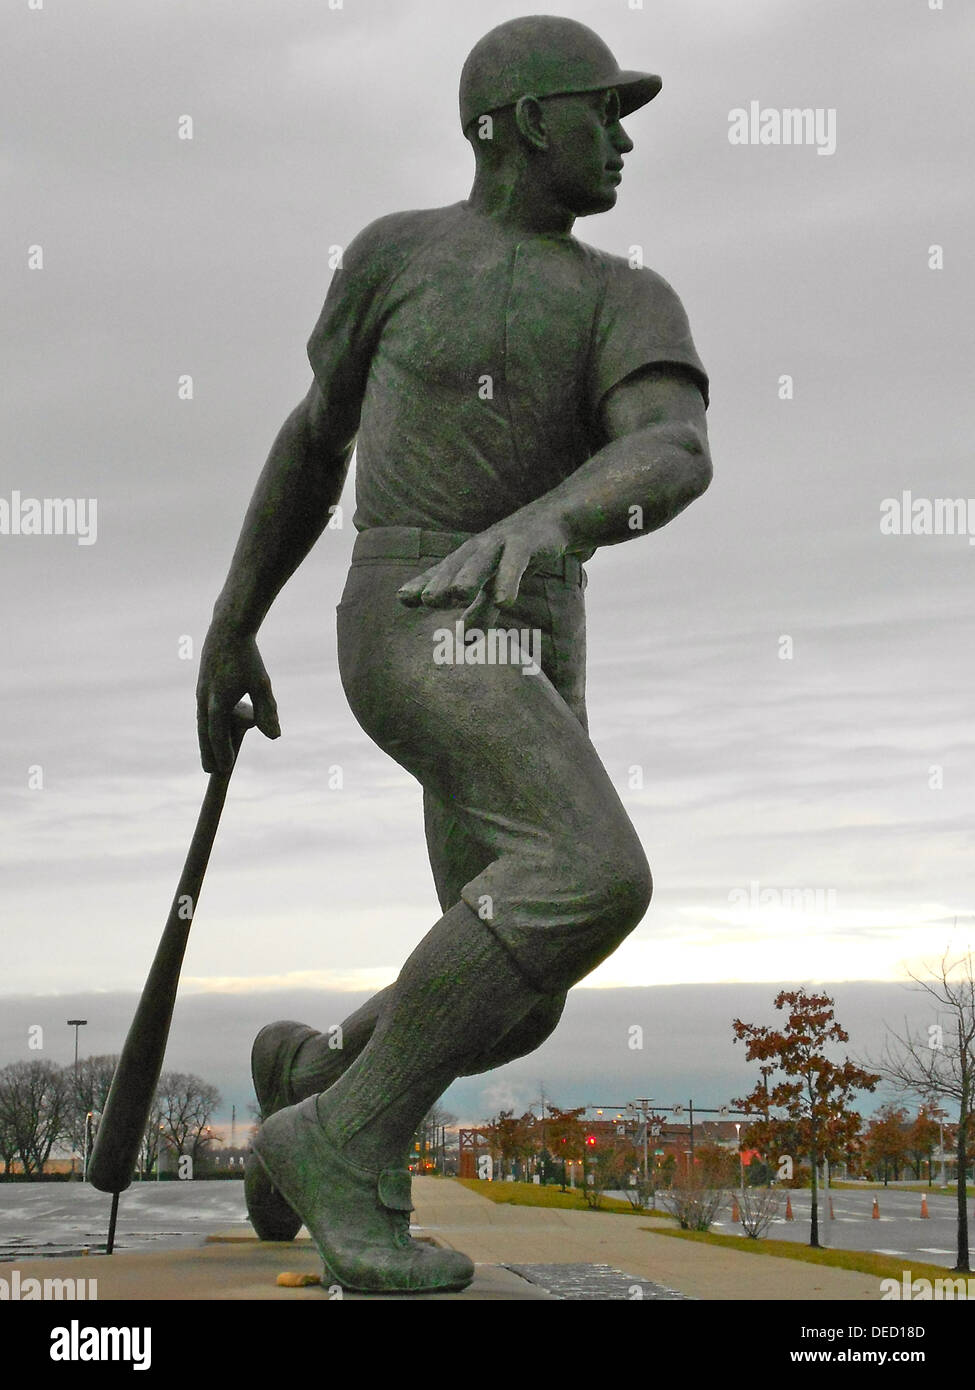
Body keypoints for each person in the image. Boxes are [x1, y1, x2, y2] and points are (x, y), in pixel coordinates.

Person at [196, 15, 711, 1294]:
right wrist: (231, 620)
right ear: (532, 121)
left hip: (538, 627)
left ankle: (310, 1081)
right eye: (606, 108)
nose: (627, 136)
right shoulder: (395, 258)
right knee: (592, 869)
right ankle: (345, 1136)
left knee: (520, 985)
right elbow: (315, 449)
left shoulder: (623, 294)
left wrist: (548, 520)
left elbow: (672, 451)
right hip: (411, 607)